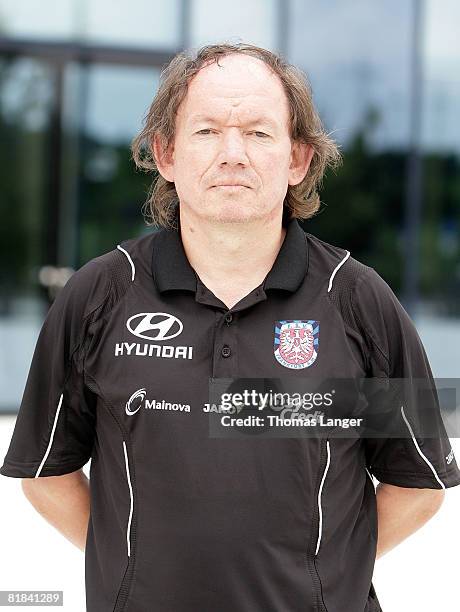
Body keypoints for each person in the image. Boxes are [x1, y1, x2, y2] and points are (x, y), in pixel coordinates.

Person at [1, 42, 459, 612]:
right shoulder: (99, 296)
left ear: (298, 160)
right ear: (166, 154)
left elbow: (417, 485)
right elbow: (46, 474)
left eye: (260, 133)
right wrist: (133, 566)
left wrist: (322, 580)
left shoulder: (359, 302)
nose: (233, 153)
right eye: (207, 131)